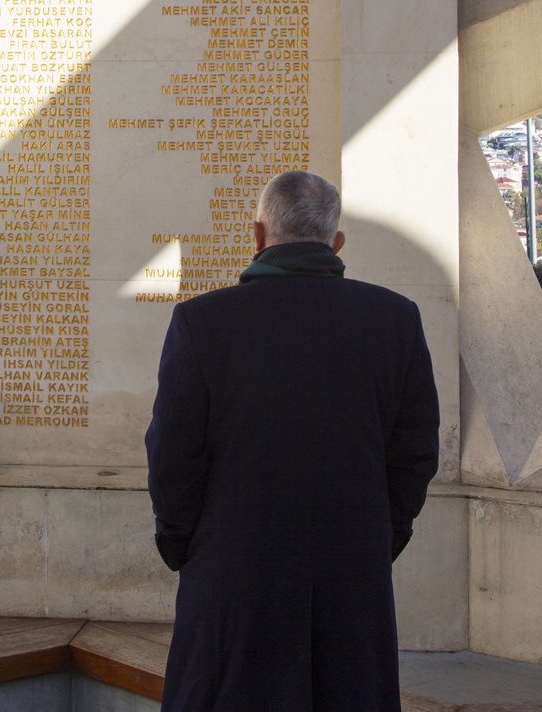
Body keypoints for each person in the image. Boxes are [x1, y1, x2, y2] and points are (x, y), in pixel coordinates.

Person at [145, 170, 439, 712]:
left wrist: (183, 545)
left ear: (257, 236)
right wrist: (378, 539)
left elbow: (172, 457)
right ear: (336, 241)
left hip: (231, 581)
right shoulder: (395, 320)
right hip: (353, 578)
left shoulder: (201, 323)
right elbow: (415, 454)